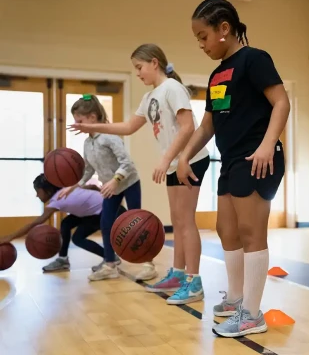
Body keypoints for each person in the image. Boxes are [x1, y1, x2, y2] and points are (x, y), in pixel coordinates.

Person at [176, 0, 290, 337]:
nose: (200, 44)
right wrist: (184, 155)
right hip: (231, 161)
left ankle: (253, 315)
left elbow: (281, 102)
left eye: (203, 36)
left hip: (257, 158)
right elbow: (206, 126)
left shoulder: (255, 59)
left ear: (224, 28)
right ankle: (239, 299)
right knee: (228, 230)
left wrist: (268, 143)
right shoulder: (216, 75)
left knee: (252, 233)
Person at [67, 44, 210, 305]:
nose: (138, 73)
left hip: (191, 160)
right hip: (174, 163)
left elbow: (188, 127)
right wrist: (92, 125)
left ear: (154, 63)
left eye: (139, 67)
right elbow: (129, 127)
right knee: (177, 222)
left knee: (186, 221)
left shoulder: (173, 89)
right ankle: (178, 275)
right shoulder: (149, 98)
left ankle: (194, 282)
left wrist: (168, 158)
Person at [62, 94, 157, 282]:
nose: (77, 124)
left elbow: (127, 163)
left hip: (128, 182)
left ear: (92, 118)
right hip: (111, 187)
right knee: (106, 223)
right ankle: (110, 264)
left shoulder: (109, 137)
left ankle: (149, 265)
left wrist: (115, 180)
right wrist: (73, 186)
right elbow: (88, 170)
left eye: (79, 120)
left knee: (137, 225)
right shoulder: (87, 143)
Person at [0, 174, 120, 272]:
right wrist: (99, 194)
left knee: (78, 238)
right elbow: (93, 186)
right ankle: (62, 260)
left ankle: (110, 257)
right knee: (66, 223)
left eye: (38, 191)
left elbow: (35, 223)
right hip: (103, 207)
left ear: (47, 190)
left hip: (105, 211)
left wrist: (10, 237)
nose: (37, 195)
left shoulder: (57, 200)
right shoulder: (65, 190)